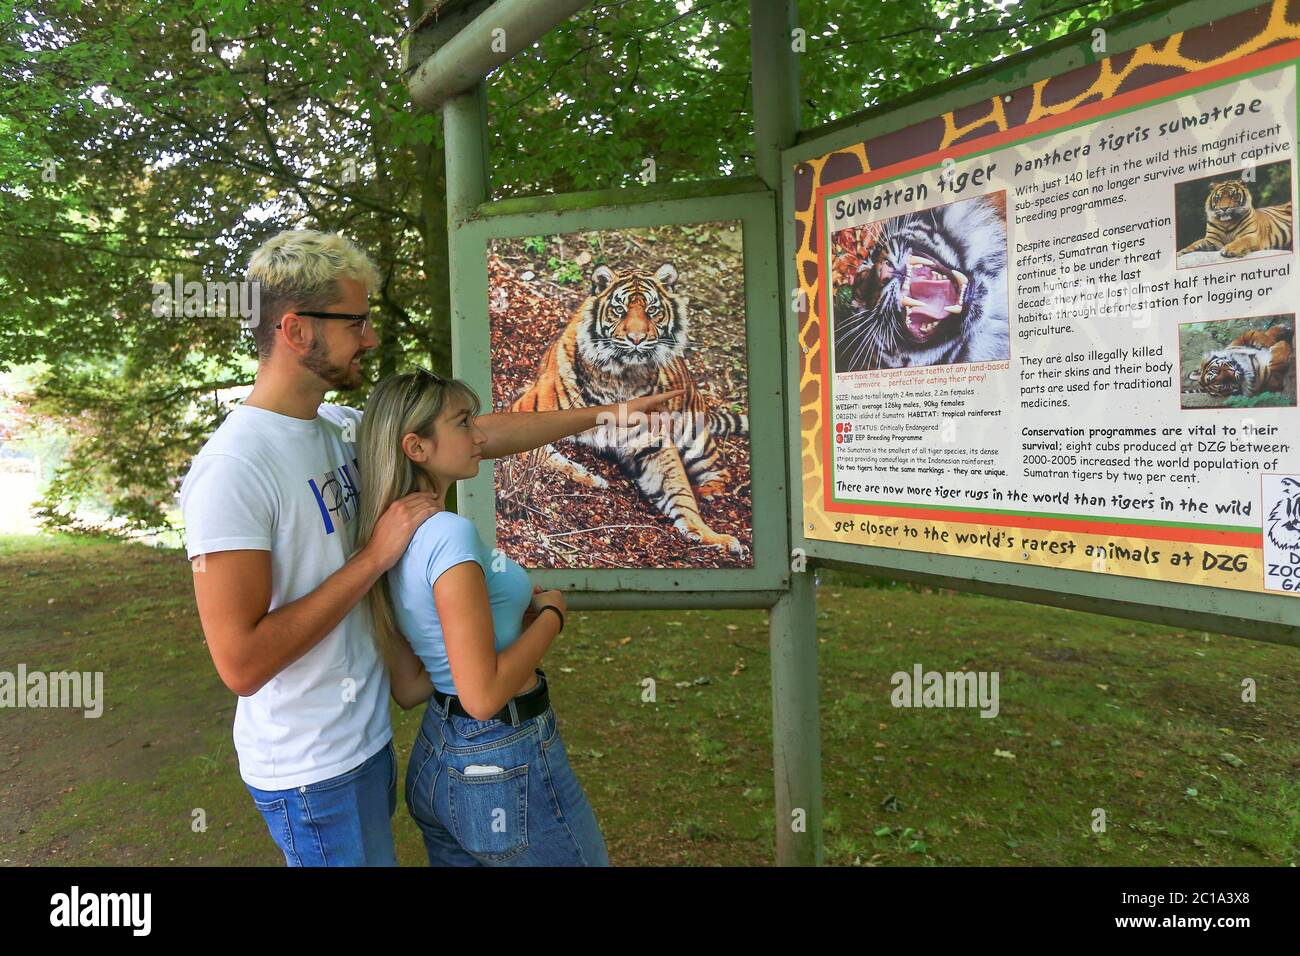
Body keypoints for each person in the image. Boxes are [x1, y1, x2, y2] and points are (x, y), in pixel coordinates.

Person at [354, 368, 679, 866]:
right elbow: (482, 697)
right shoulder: (447, 536)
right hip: (501, 761)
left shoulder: (390, 531)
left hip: (439, 760)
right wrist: (551, 616)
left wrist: (606, 414)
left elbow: (412, 686)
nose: (479, 434)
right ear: (416, 447)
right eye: (463, 423)